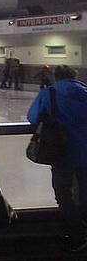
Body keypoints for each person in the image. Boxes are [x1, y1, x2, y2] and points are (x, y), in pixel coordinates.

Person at [27, 65, 87, 251]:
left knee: (64, 194)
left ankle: (78, 236)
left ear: (55, 76)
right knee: (85, 194)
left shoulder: (50, 93)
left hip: (63, 153)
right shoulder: (85, 91)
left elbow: (32, 116)